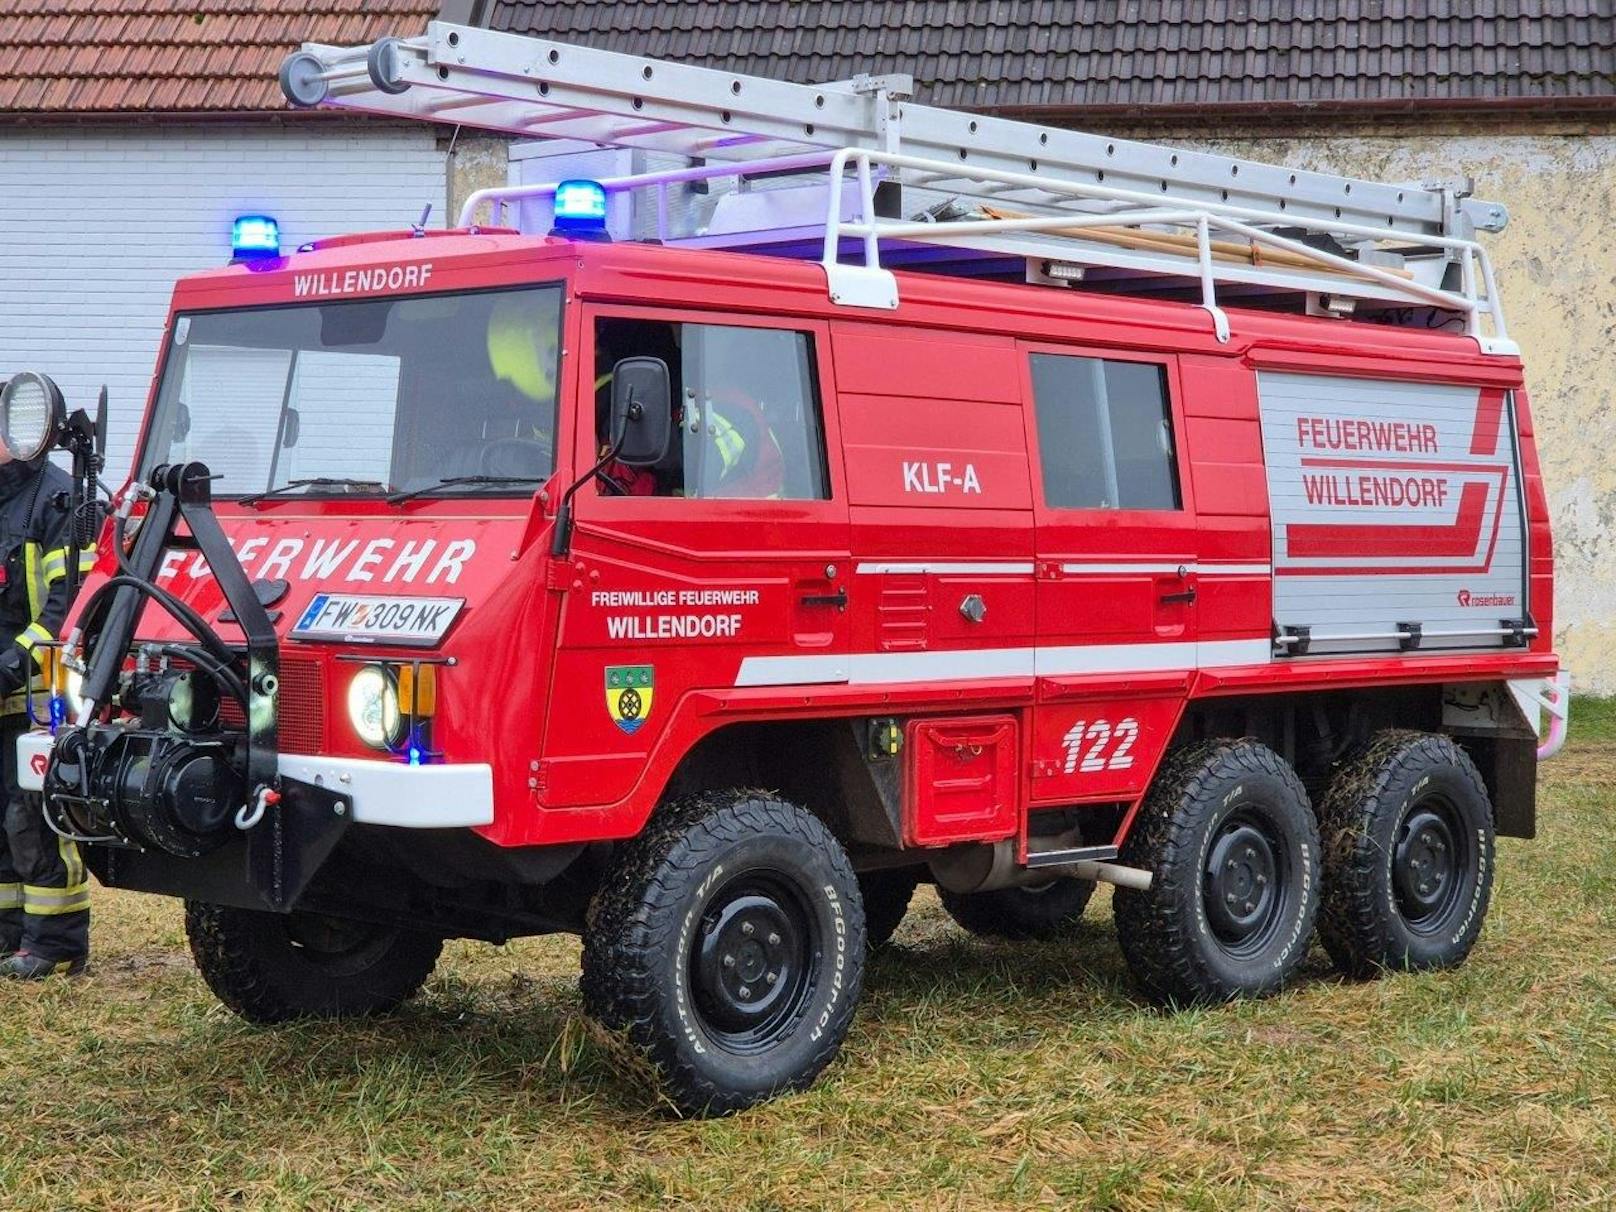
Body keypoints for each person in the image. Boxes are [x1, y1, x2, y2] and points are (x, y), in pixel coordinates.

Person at [0, 441, 91, 979]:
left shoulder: (56, 497)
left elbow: (69, 599)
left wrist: (14, 663)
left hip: (37, 691)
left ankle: (55, 943)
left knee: (31, 818)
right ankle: (11, 934)